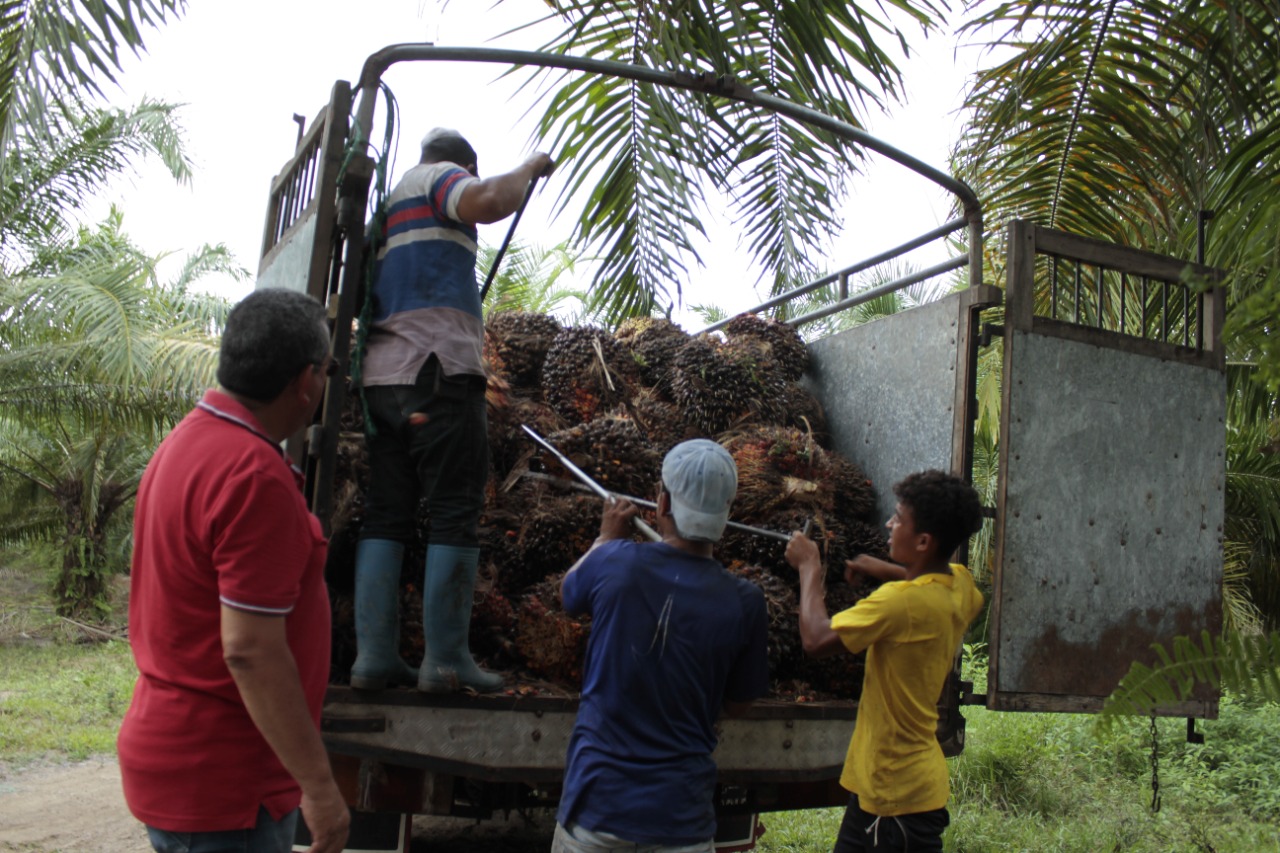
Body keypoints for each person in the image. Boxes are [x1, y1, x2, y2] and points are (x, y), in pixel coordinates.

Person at [118, 288, 349, 853]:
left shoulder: (186, 443)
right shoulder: (253, 474)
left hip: (186, 760)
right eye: (326, 370)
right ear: (306, 382)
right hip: (225, 782)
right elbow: (250, 648)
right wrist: (320, 788)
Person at [352, 128, 555, 693]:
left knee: (386, 515)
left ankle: (374, 659)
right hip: (436, 373)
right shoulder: (437, 179)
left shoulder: (390, 206)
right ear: (462, 162)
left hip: (384, 382)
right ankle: (444, 662)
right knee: (454, 512)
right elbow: (489, 200)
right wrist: (529, 167)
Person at [552, 439, 770, 853]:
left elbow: (569, 595)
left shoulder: (615, 560)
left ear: (662, 505)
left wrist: (604, 536)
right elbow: (739, 704)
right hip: (681, 820)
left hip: (597, 808)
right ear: (727, 513)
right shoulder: (746, 602)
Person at [785, 469, 984, 853]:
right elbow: (927, 584)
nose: (889, 525)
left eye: (898, 519)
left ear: (923, 540)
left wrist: (809, 568)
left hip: (894, 800)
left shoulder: (900, 602)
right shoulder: (960, 587)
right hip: (903, 790)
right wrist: (886, 568)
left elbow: (816, 638)